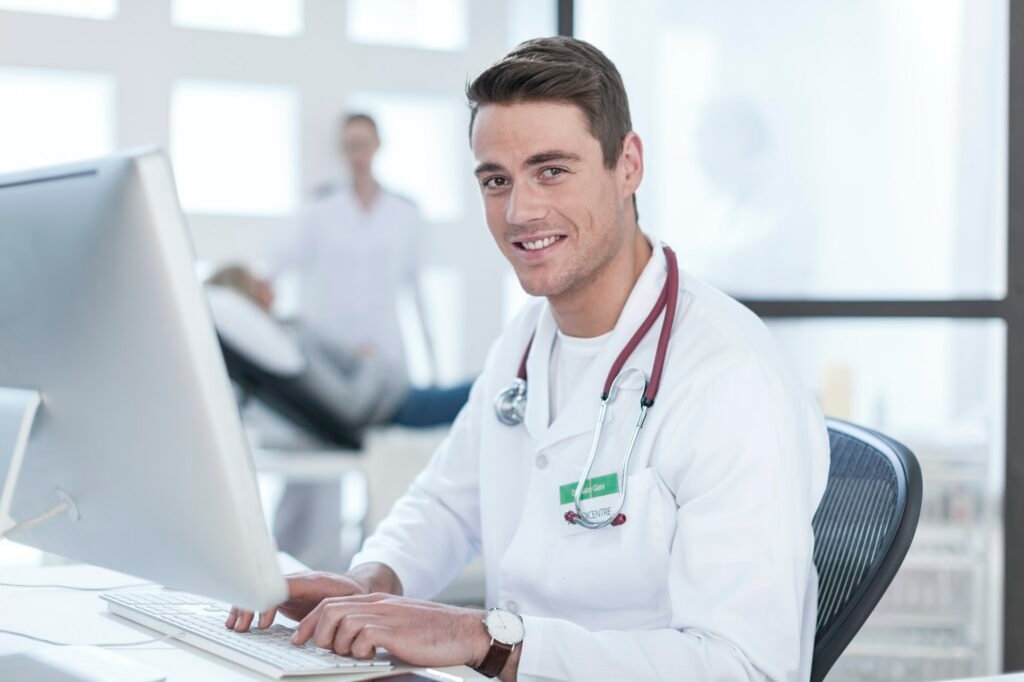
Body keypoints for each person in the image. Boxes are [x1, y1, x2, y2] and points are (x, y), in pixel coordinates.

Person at [228, 37, 829, 682]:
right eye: (496, 180)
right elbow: (446, 503)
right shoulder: (525, 339)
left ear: (627, 165)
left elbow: (745, 668)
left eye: (552, 171)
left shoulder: (729, 380)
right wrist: (368, 584)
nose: (520, 212)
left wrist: (482, 638)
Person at [270, 112, 435, 383]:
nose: (358, 154)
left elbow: (415, 287)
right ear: (342, 150)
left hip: (387, 347)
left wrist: (432, 366)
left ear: (378, 145)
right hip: (333, 346)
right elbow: (279, 263)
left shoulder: (405, 213)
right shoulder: (318, 209)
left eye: (363, 144)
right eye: (350, 146)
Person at [208, 265, 470, 430]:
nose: (267, 282)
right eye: (256, 282)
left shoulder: (286, 334)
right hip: (398, 406)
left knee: (489, 385)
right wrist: (371, 360)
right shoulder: (289, 346)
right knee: (488, 388)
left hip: (398, 397)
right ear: (249, 297)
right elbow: (350, 405)